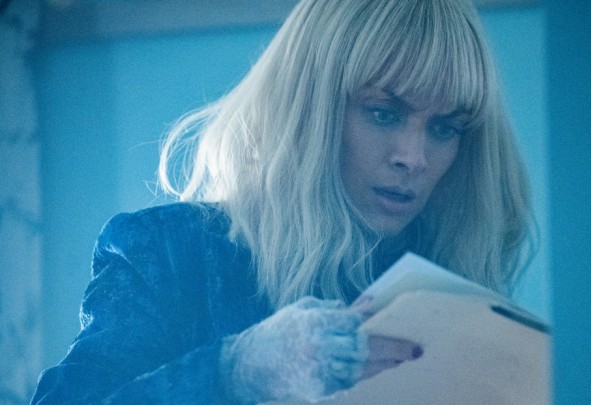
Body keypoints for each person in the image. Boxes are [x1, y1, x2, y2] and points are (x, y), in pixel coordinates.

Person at [31, 0, 533, 403]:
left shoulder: (448, 284)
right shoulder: (170, 252)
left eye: (444, 128)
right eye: (383, 113)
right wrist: (237, 371)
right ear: (310, 107)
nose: (414, 157)